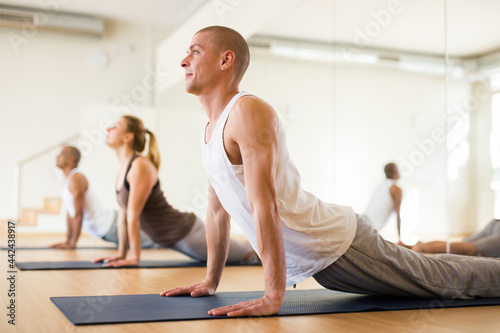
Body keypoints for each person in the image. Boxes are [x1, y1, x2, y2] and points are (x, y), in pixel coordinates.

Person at [161, 25, 500, 317]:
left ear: (225, 60)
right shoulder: (210, 129)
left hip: (339, 244)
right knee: (438, 273)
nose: (183, 60)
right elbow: (217, 213)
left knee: (444, 280)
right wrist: (211, 280)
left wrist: (273, 296)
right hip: (324, 261)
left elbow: (267, 206)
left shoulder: (246, 111)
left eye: (194, 51)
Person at [94, 115, 259, 267]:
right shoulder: (125, 169)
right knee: (244, 251)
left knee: (251, 254)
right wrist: (121, 254)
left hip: (188, 234)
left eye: (115, 126)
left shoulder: (139, 166)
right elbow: (123, 216)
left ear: (127, 137)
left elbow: (133, 216)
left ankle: (275, 248)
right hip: (176, 239)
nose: (108, 129)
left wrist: (134, 258)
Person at [51, 146, 156, 249]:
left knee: (154, 241)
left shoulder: (76, 178)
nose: (57, 156)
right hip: (108, 226)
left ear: (71, 159)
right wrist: (68, 240)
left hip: (111, 225)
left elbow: (79, 214)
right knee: (151, 234)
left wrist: (73, 243)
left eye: (62, 154)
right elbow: (71, 213)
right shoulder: (68, 180)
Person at [399, 219, 500, 257]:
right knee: (469, 249)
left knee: (462, 245)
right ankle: (421, 247)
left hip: (495, 224)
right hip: (495, 227)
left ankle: (413, 246)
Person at [363, 162, 403, 239]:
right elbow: (398, 216)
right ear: (395, 171)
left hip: (362, 219)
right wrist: (400, 238)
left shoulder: (380, 186)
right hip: (371, 226)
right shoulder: (396, 189)